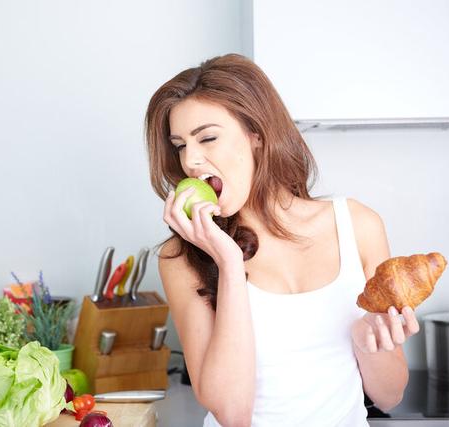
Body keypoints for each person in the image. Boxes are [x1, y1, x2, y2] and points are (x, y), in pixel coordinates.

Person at [144, 53, 420, 427]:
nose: (191, 160)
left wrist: (367, 342)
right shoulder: (182, 256)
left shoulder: (357, 225)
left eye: (207, 138)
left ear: (256, 134)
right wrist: (227, 263)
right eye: (180, 145)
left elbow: (390, 394)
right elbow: (233, 413)